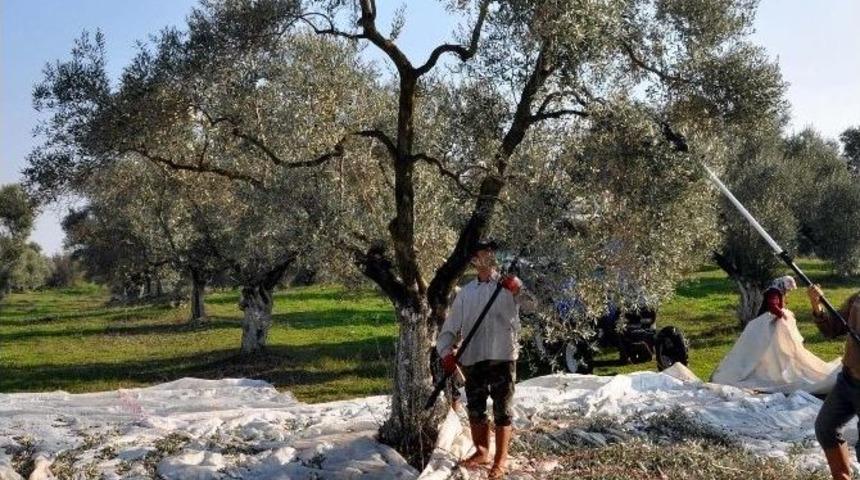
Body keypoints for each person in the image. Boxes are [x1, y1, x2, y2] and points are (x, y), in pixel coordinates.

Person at [436, 239, 522, 480]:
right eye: (482, 253)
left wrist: (517, 289)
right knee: (475, 407)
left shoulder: (508, 286)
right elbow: (451, 327)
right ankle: (482, 452)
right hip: (473, 357)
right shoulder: (466, 293)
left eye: (490, 252)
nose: (487, 256)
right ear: (474, 259)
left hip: (502, 355)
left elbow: (532, 305)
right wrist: (446, 352)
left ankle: (500, 459)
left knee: (502, 409)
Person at [710, 275, 840, 394]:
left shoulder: (776, 291)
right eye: (788, 288)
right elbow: (772, 306)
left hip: (769, 323)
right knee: (764, 349)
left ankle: (767, 370)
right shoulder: (773, 292)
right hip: (765, 324)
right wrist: (781, 314)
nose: (788, 292)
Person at [808, 285, 860, 480]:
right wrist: (817, 304)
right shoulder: (857, 300)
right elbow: (831, 329)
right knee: (825, 428)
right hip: (847, 381)